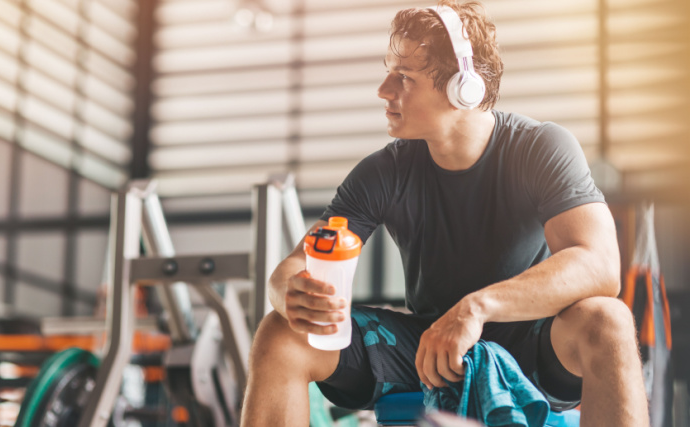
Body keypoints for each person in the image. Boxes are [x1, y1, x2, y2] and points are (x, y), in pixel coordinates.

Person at [241, 1, 649, 426]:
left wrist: (475, 309)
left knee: (610, 320)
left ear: (462, 87)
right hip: (424, 346)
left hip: (530, 339)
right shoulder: (385, 170)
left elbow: (600, 265)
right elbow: (296, 265)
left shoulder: (541, 147)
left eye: (404, 77)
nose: (384, 90)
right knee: (279, 333)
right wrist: (288, 293)